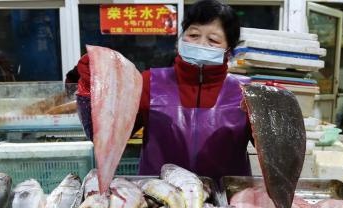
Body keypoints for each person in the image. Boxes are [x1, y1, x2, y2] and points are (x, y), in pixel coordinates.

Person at [74, 0, 252, 181]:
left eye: (213, 40)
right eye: (193, 35)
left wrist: (277, 112)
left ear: (229, 50)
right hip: (158, 199)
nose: (201, 44)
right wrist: (93, 86)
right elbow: (103, 135)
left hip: (226, 201)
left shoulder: (247, 92)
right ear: (181, 38)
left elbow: (276, 153)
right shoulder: (149, 82)